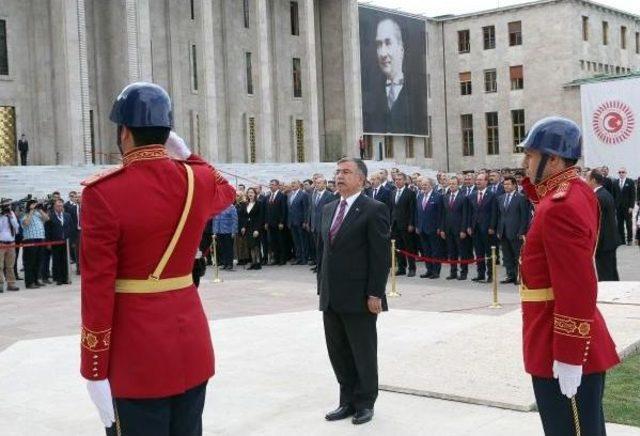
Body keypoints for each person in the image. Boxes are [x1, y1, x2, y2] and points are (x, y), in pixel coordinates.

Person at [80, 82, 236, 436]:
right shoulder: (195, 180)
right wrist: (189, 154)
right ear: (168, 134)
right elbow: (227, 190)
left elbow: (97, 288)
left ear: (124, 134)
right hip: (191, 343)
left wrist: (93, 367)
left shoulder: (102, 194)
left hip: (136, 356)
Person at [519, 116, 619, 435]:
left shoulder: (560, 205)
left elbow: (576, 286)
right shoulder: (570, 191)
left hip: (558, 343)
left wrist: (569, 354)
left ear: (555, 159)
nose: (525, 162)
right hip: (553, 334)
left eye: (532, 155)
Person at [317, 157, 390, 425]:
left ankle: (365, 402)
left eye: (346, 172)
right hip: (332, 296)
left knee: (363, 351)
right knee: (338, 352)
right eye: (337, 171)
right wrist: (321, 290)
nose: (339, 176)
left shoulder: (374, 209)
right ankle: (346, 400)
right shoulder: (328, 208)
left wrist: (375, 294)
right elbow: (323, 252)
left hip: (360, 297)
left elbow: (380, 256)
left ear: (361, 179)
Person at [362, 18, 427, 135]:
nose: (382, 53)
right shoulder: (371, 94)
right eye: (378, 45)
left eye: (388, 43)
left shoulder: (416, 91)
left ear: (401, 49)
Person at [587, 169, 620, 281]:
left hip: (603, 242)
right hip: (610, 239)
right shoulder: (605, 193)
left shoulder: (598, 197)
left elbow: (596, 222)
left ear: (593, 180)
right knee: (611, 270)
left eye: (587, 179)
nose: (586, 182)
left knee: (605, 273)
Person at [495, 176, 529, 284]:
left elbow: (524, 217)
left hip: (516, 232)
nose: (506, 186)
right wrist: (499, 230)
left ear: (514, 185)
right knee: (506, 256)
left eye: (508, 184)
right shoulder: (500, 198)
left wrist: (522, 231)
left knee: (517, 256)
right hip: (504, 232)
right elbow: (499, 216)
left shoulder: (521, 198)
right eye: (504, 184)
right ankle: (510, 275)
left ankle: (519, 276)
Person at [467, 173, 497, 283]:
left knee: (489, 253)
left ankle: (490, 275)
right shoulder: (472, 195)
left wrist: (492, 226)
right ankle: (480, 274)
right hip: (475, 228)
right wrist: (469, 226)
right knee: (479, 253)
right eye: (477, 180)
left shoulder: (492, 195)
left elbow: (494, 212)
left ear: (486, 181)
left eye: (480, 180)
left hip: (487, 228)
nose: (478, 182)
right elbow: (470, 213)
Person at [439, 176, 470, 281]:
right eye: (450, 183)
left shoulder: (463, 197)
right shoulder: (445, 197)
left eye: (454, 184)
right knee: (452, 252)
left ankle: (463, 272)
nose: (452, 185)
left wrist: (463, 230)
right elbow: (443, 214)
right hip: (448, 229)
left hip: (459, 229)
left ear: (458, 185)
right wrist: (442, 229)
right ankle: (453, 272)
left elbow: (465, 215)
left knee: (462, 252)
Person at [415, 178, 443, 279]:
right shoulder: (420, 196)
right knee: (426, 251)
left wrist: (440, 227)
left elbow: (441, 214)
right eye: (422, 185)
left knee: (435, 251)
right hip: (422, 228)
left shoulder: (438, 196)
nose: (424, 186)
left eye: (426, 185)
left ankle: (436, 271)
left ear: (431, 185)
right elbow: (417, 213)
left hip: (433, 228)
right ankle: (429, 270)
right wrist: (417, 225)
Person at [391, 172, 417, 277]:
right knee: (398, 247)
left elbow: (412, 210)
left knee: (409, 247)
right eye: (396, 179)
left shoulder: (410, 193)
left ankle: (412, 268)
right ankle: (402, 268)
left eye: (400, 179)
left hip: (406, 224)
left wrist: (411, 223)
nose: (397, 181)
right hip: (395, 224)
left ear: (405, 181)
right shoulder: (392, 192)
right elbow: (392, 209)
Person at [21, 199, 49, 289]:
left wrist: (40, 209)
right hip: (30, 240)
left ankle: (37, 279)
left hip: (40, 238)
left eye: (35, 204)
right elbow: (26, 223)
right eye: (33, 204)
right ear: (29, 206)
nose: (35, 206)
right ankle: (29, 282)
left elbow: (47, 219)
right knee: (30, 262)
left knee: (39, 261)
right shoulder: (25, 214)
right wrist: (31, 211)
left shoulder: (38, 213)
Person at [47, 199, 72, 285]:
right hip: (55, 241)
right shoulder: (50, 216)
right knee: (57, 260)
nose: (60, 207)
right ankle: (58, 278)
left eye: (61, 206)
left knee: (65, 260)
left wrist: (71, 241)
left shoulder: (67, 215)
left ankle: (65, 277)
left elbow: (70, 228)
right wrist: (49, 242)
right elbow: (48, 230)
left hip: (66, 241)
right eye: (58, 206)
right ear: (54, 206)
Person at [239, 187, 264, 270]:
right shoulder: (245, 204)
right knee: (251, 245)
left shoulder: (259, 203)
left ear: (255, 194)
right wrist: (243, 227)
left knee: (256, 245)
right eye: (249, 192)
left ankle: (258, 263)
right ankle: (253, 262)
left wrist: (257, 229)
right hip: (248, 227)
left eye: (252, 192)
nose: (250, 194)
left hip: (255, 227)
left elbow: (260, 217)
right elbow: (243, 216)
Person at [287, 180, 310, 265]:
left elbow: (306, 209)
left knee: (303, 241)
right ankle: (298, 257)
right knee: (296, 241)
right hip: (292, 222)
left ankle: (304, 258)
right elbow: (289, 209)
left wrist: (305, 221)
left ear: (299, 185)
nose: (292, 184)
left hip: (300, 221)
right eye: (291, 183)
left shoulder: (303, 194)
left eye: (294, 183)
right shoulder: (289, 195)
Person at [265, 179, 288, 265]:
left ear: (277, 186)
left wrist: (282, 222)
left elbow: (284, 210)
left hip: (279, 223)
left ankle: (282, 259)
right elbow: (267, 210)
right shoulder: (269, 196)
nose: (271, 186)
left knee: (280, 241)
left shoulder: (282, 196)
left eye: (273, 184)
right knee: (273, 242)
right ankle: (276, 258)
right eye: (270, 184)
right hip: (270, 223)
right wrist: (266, 222)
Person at [0, 200, 20, 292]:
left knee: (10, 265)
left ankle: (11, 284)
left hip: (11, 242)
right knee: (0, 265)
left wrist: (11, 217)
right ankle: (0, 285)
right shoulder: (1, 215)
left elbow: (16, 227)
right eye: (6, 205)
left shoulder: (11, 214)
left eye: (9, 205)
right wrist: (2, 216)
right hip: (1, 243)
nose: (8, 207)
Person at [612, 167, 636, 246]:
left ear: (626, 173)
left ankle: (629, 239)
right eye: (620, 172)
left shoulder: (630, 182)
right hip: (618, 207)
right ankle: (622, 240)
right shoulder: (615, 182)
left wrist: (631, 206)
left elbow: (633, 195)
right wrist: (614, 206)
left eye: (623, 172)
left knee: (629, 223)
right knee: (620, 224)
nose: (621, 173)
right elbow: (613, 195)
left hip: (627, 207)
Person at [213, 204, 238, 271]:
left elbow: (234, 219)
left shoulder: (231, 207)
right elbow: (215, 220)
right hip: (220, 231)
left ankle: (230, 264)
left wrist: (233, 231)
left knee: (229, 248)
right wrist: (215, 232)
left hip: (228, 231)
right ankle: (224, 263)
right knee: (222, 248)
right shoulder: (218, 206)